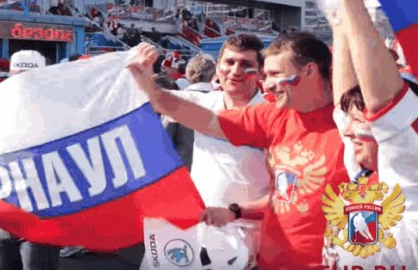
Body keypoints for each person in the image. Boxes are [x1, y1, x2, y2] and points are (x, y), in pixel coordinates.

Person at [127, 32, 348, 268]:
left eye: (275, 74)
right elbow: (207, 121)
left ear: (310, 71)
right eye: (267, 75)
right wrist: (152, 92)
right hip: (265, 259)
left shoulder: (353, 127)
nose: (268, 84)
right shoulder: (273, 115)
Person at [328, 0, 418, 265]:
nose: (349, 133)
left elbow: (383, 100)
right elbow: (345, 103)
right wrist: (340, 22)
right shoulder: (362, 169)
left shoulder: (409, 160)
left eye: (364, 127)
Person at [168, 36, 270, 267]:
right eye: (229, 62)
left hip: (249, 245)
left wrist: (236, 213)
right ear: (217, 68)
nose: (235, 71)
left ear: (261, 72)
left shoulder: (274, 117)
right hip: (198, 235)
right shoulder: (202, 103)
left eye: (246, 64)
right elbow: (153, 99)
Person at [0, 50, 59, 270]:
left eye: (27, 77)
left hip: (41, 216)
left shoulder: (57, 112)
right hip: (6, 214)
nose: (21, 83)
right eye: (16, 76)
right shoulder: (0, 109)